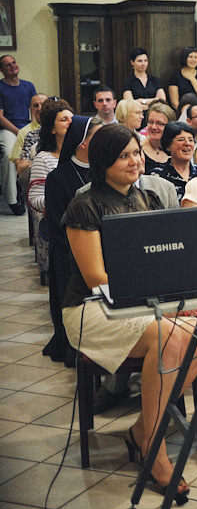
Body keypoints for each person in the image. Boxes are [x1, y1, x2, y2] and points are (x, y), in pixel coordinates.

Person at [63, 123, 197, 501]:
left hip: (145, 302)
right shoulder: (85, 204)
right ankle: (155, 452)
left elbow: (166, 262)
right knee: (167, 337)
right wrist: (156, 305)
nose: (135, 161)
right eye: (124, 155)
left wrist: (178, 300)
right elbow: (96, 276)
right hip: (91, 308)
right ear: (103, 162)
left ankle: (144, 430)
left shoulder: (150, 199)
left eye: (137, 153)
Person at [43, 116, 102, 365]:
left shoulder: (104, 171)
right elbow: (56, 223)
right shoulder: (59, 177)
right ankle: (73, 350)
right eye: (98, 136)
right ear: (82, 143)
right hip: (67, 252)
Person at [1, 55, 36, 214]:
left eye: (14, 62)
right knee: (10, 155)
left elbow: (35, 110)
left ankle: (34, 194)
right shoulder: (0, 88)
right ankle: (12, 200)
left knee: (39, 153)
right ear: (2, 70)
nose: (12, 66)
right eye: (8, 65)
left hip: (27, 128)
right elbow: (0, 116)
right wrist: (19, 131)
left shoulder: (28, 86)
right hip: (7, 130)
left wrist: (33, 128)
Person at [27, 100, 73, 214]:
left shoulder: (81, 155)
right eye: (64, 120)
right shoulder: (43, 159)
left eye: (73, 119)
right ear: (52, 129)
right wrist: (66, 200)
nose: (70, 122)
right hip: (56, 218)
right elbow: (35, 200)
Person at [148, 121, 197, 201]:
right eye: (181, 140)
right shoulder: (157, 175)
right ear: (168, 146)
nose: (187, 143)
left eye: (191, 140)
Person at [11, 92, 47, 176]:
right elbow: (19, 166)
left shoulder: (58, 128)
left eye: (43, 105)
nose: (40, 108)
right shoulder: (24, 132)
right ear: (31, 110)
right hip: (34, 175)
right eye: (36, 105)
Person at [141, 103, 176, 172]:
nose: (153, 127)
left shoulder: (176, 149)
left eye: (159, 124)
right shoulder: (139, 149)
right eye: (151, 122)